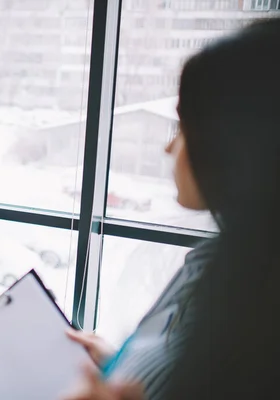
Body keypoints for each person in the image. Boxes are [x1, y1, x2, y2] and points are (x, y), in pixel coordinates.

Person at [63, 18, 280, 400]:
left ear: (232, 142)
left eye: (182, 128)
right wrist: (125, 362)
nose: (169, 149)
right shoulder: (223, 258)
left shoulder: (258, 300)